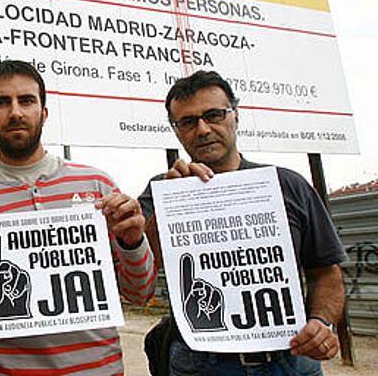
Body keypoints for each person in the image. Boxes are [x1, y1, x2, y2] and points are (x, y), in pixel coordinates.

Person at [0, 60, 157, 376]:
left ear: (44, 112)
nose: (15, 112)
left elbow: (141, 293)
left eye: (26, 100)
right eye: (2, 102)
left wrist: (133, 241)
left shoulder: (98, 187)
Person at [138, 70, 346, 375]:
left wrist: (321, 323)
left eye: (214, 115)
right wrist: (172, 206)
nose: (203, 129)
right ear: (176, 130)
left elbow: (326, 272)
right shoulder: (162, 190)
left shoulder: (288, 185)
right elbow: (139, 272)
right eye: (187, 122)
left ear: (236, 116)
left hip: (290, 359)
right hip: (199, 363)